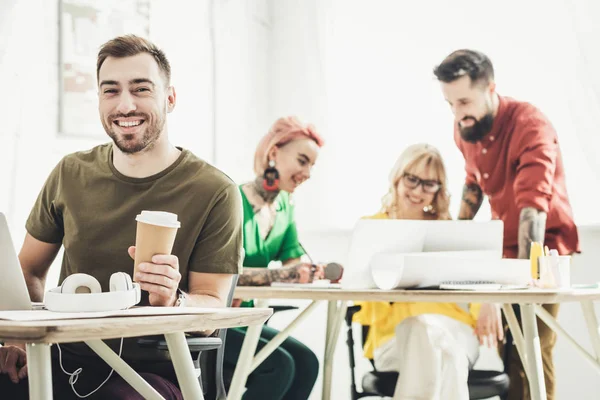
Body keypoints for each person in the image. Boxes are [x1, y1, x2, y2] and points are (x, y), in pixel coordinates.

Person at [0, 35, 243, 399]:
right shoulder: (70, 173)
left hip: (155, 372)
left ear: (170, 98)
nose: (125, 105)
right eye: (110, 91)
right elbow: (28, 271)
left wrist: (173, 301)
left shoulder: (215, 191)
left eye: (141, 89)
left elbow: (212, 306)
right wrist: (20, 341)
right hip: (63, 358)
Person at [434, 49, 580, 399]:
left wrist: (513, 284)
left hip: (545, 248)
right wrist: (455, 247)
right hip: (502, 246)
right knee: (506, 352)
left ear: (491, 88)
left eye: (465, 102)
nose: (458, 114)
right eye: (450, 105)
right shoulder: (465, 129)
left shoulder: (531, 125)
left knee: (532, 347)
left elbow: (533, 209)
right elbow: (473, 185)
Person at [354, 143, 489, 399]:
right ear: (398, 176)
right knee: (436, 343)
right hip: (393, 336)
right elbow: (361, 296)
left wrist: (487, 301)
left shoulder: (447, 230)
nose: (418, 191)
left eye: (429, 184)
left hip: (455, 328)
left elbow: (474, 279)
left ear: (439, 189)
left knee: (437, 339)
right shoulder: (372, 229)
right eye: (412, 179)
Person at [223, 116, 325, 400]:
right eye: (302, 160)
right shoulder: (231, 202)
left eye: (312, 166)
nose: (307, 172)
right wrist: (287, 274)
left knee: (307, 364)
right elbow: (227, 277)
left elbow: (294, 263)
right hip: (217, 322)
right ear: (273, 153)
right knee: (279, 366)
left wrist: (310, 271)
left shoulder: (284, 207)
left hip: (250, 320)